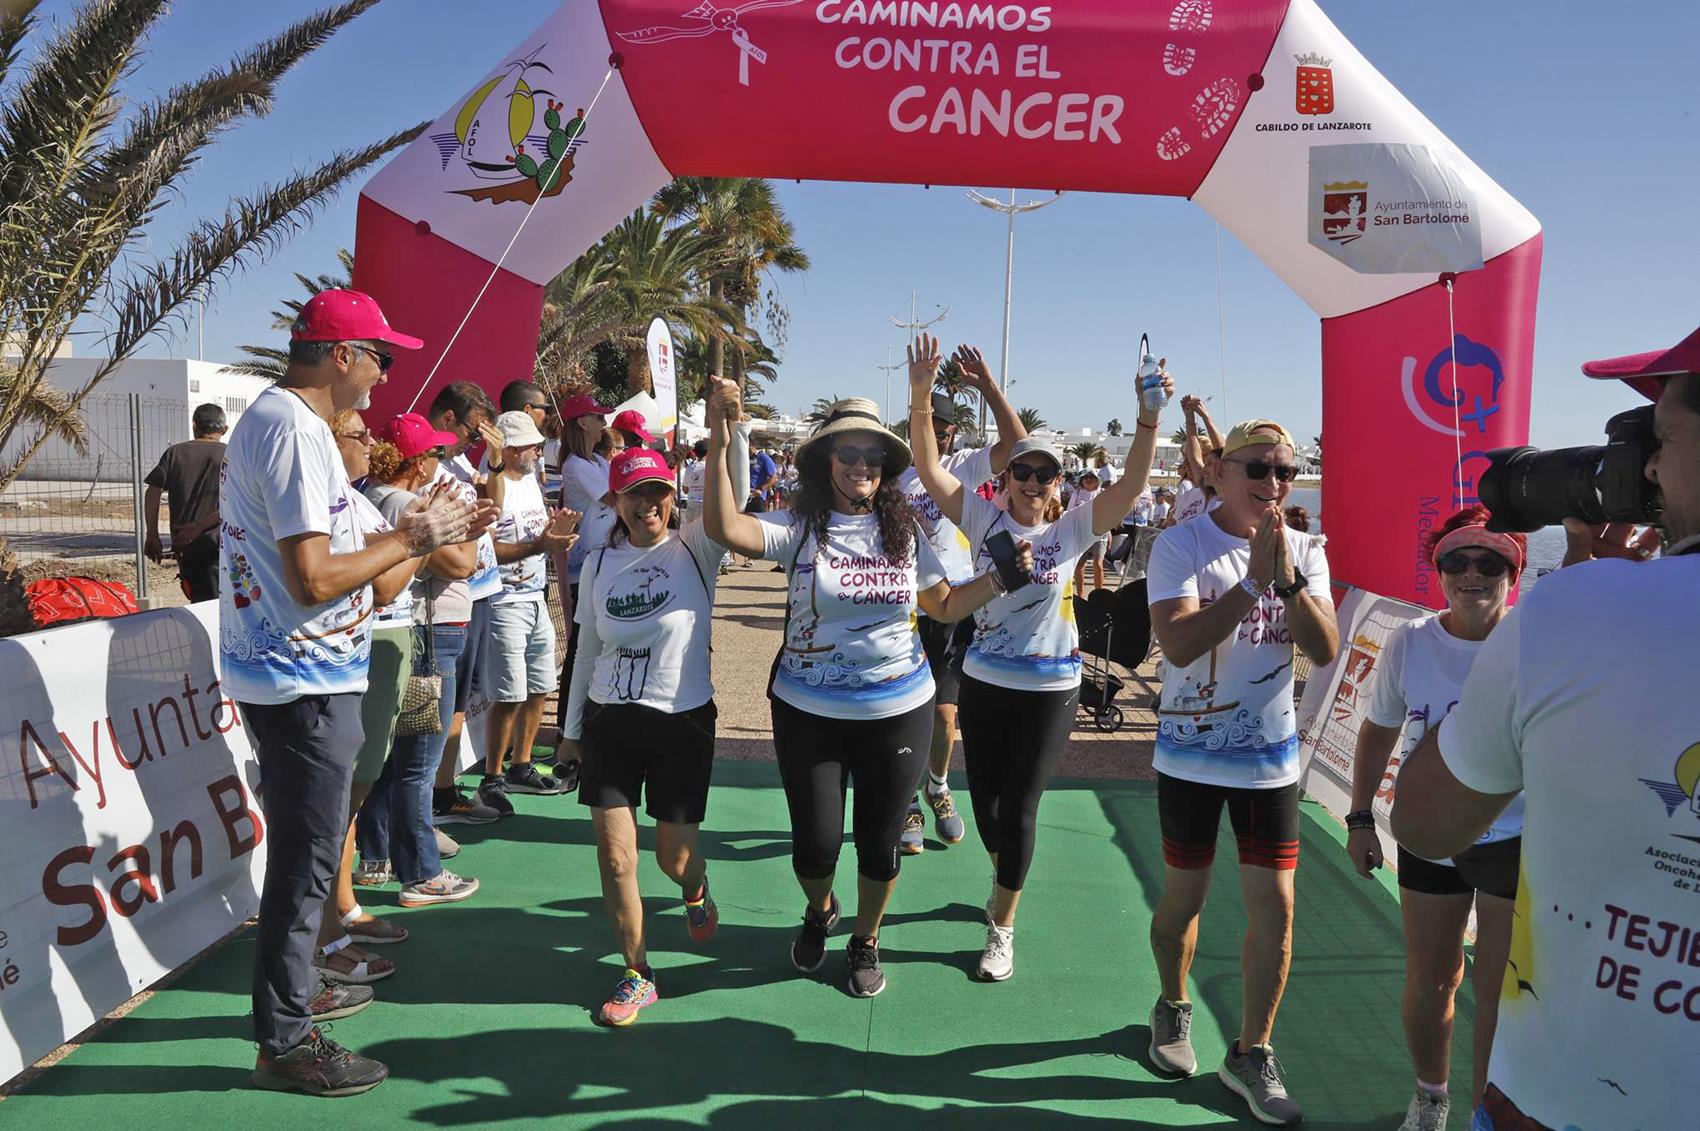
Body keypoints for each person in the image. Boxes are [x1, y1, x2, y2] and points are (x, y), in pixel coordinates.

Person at [1392, 329, 1700, 1131]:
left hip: (1564, 1099)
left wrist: (1593, 606)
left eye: (1656, 440)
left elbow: (1424, 820)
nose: (1647, 472)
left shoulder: (1570, 615)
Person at [220, 289, 489, 1096]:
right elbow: (310, 580)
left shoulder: (290, 427)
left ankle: (297, 993)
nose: (384, 374)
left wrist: (420, 536)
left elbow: (351, 581)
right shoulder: (296, 432)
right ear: (342, 355)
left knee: (309, 854)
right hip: (300, 680)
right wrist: (413, 534)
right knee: (303, 866)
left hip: (308, 675)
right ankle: (286, 1038)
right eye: (381, 356)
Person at [703, 384, 1020, 998]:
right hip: (807, 709)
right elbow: (724, 526)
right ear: (827, 462)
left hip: (899, 708)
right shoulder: (800, 527)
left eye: (872, 456)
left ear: (886, 468)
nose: (860, 465)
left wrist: (1002, 579)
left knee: (879, 846)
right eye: (848, 453)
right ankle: (820, 908)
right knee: (815, 848)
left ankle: (865, 938)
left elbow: (946, 604)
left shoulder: (903, 532)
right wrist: (721, 435)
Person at [908, 335, 1170, 982]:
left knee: (1021, 806)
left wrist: (1147, 419)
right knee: (992, 811)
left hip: (1052, 687)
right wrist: (920, 395)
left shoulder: (1073, 529)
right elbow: (927, 464)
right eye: (1020, 471)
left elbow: (1133, 483)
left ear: (1058, 484)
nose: (1030, 481)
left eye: (1043, 474)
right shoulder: (981, 516)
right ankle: (1004, 878)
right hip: (986, 681)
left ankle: (1003, 926)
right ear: (1006, 480)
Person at [1143, 417, 1338, 1126]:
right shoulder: (1181, 543)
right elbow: (1181, 643)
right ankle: (1172, 1002)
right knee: (1182, 904)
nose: (1274, 483)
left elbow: (1324, 646)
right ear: (1220, 470)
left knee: (1277, 911)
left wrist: (1285, 582)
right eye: (1258, 468)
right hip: (1191, 758)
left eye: (1285, 470)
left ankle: (1252, 1050)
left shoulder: (1307, 550)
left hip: (1268, 760)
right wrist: (1253, 582)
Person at [559, 389, 752, 1026]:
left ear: (674, 496)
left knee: (671, 858)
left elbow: (738, 498)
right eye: (634, 495)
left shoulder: (697, 547)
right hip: (610, 720)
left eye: (658, 493)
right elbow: (586, 648)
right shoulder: (598, 564)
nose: (649, 505)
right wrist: (570, 732)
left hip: (683, 721)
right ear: (614, 501)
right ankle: (637, 973)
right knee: (616, 857)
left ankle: (695, 891)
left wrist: (731, 429)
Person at [1347, 506, 1527, 1131]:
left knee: (1502, 992)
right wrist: (1359, 818)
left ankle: (1486, 1112)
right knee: (1434, 977)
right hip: (1428, 831)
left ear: (1514, 572)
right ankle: (1430, 1097)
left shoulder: (1535, 642)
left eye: (1489, 562)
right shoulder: (1411, 642)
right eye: (1457, 560)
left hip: (1515, 837)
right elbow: (1376, 733)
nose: (1471, 574)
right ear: (1437, 570)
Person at [308, 409, 423, 989]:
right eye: (359, 435)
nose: (370, 443)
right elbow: (381, 586)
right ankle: (327, 936)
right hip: (334, 666)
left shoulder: (354, 501)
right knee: (337, 804)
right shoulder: (335, 500)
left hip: (352, 661)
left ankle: (342, 912)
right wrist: (426, 540)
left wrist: (418, 538)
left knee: (347, 798)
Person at [896, 345, 1027, 856]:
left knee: (947, 716)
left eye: (948, 429)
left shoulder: (963, 468)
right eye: (933, 427)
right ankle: (906, 798)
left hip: (954, 602)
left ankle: (937, 785)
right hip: (904, 607)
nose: (941, 435)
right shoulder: (891, 473)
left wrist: (989, 387)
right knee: (909, 709)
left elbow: (1018, 442)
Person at [357, 413, 491, 908]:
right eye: (435, 455)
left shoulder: (371, 496)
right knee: (417, 761)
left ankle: (376, 857)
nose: (441, 464)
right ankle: (422, 873)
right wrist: (469, 527)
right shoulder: (404, 502)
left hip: (410, 633)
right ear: (417, 462)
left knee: (389, 760)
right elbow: (461, 563)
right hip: (427, 636)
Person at [422, 382, 512, 816]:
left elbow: (493, 513)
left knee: (460, 698)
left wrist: (493, 463)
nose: (477, 442)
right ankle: (429, 795)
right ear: (447, 420)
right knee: (437, 702)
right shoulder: (427, 467)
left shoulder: (459, 464)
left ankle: (444, 788)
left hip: (479, 591)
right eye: (476, 433)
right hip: (449, 596)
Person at [482, 410, 579, 804]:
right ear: (509, 449)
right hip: (504, 600)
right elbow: (487, 550)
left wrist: (557, 540)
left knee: (540, 685)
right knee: (508, 694)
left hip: (536, 596)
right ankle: (493, 774)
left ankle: (521, 765)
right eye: (531, 445)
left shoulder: (530, 484)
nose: (540, 450)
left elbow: (541, 539)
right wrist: (544, 544)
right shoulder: (495, 485)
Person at [551, 391, 616, 778]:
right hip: (584, 564)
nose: (602, 420)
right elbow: (615, 495)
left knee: (590, 647)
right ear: (581, 423)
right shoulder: (577, 464)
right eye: (596, 415)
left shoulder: (596, 459)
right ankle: (566, 728)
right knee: (579, 650)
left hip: (600, 560)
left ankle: (579, 727)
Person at [144, 402, 227, 600]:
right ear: (224, 430)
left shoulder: (174, 453)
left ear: (194, 425)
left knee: (199, 601)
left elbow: (152, 492)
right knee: (218, 608)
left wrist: (152, 534)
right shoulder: (230, 454)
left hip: (185, 547)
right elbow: (235, 501)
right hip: (220, 546)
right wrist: (199, 527)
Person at [1169, 396, 1224, 526]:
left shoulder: (1216, 492)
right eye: (1185, 459)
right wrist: (1189, 416)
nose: (1186, 465)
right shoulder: (1189, 495)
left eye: (1210, 463)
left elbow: (1223, 453)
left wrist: (1205, 416)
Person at [1068, 467, 1108, 594]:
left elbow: (1108, 514)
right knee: (1079, 565)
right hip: (1081, 534)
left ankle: (1099, 596)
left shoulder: (1102, 493)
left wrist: (1109, 531)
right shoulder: (1076, 494)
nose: (1089, 480)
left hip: (1100, 533)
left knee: (1098, 564)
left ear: (1097, 480)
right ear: (1081, 480)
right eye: (1086, 477)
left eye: (1092, 477)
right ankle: (1080, 595)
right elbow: (1069, 513)